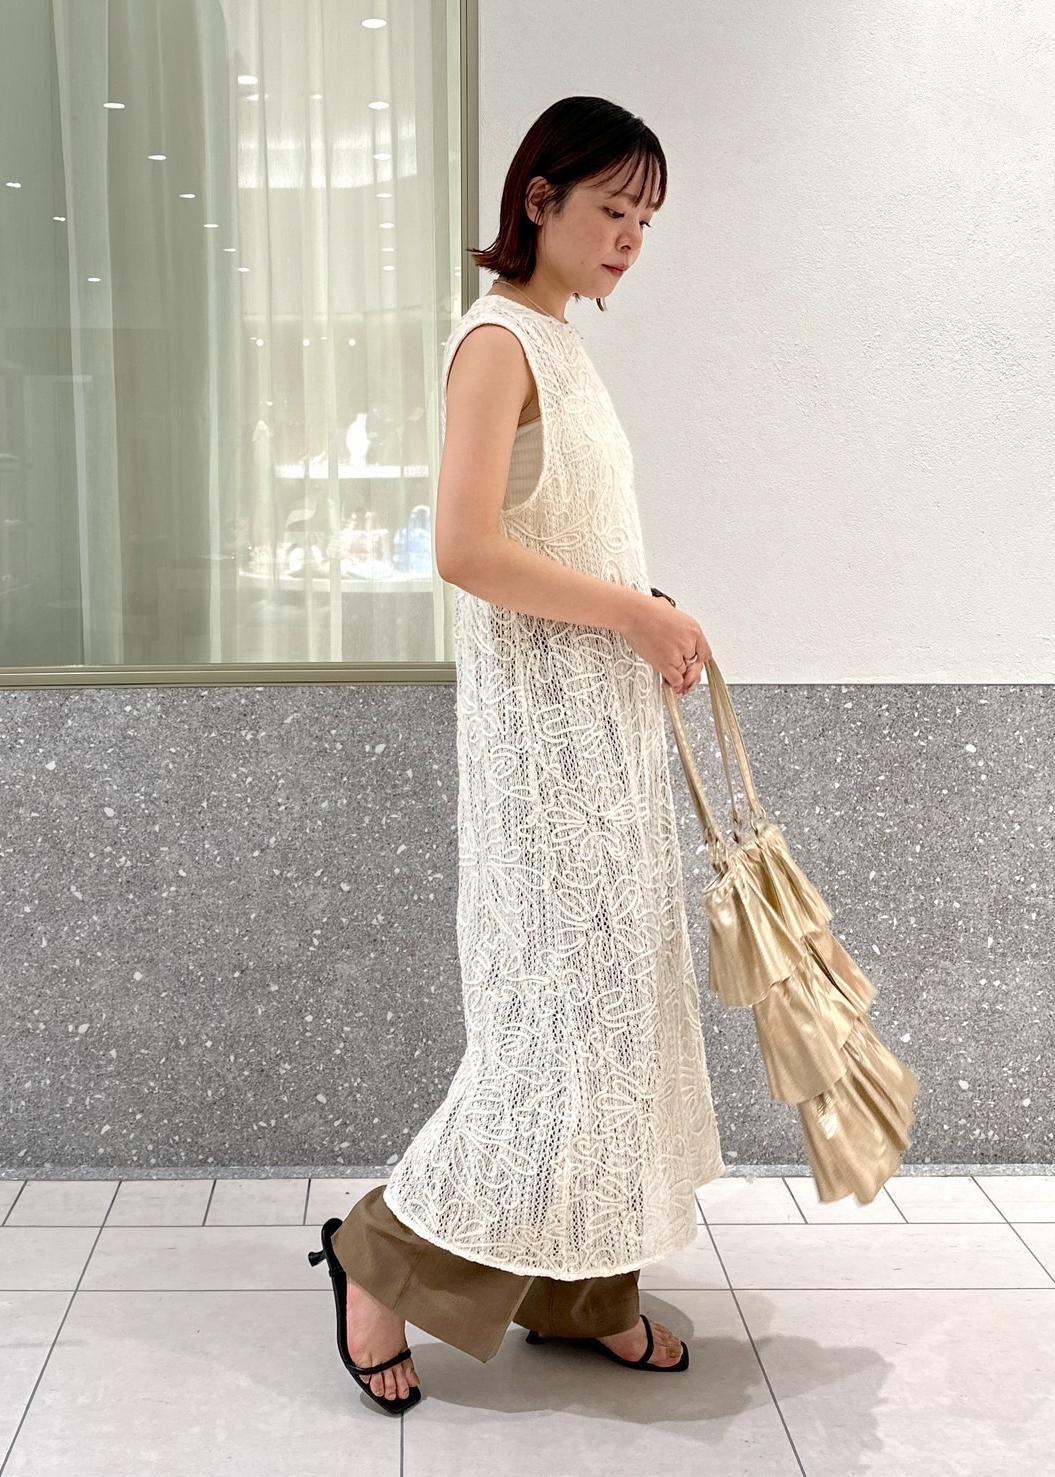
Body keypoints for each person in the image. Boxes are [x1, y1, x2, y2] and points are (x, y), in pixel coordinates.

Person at [309, 95, 725, 1414]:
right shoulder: (497, 342)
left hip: (599, 743)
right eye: (613, 208)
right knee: (549, 1038)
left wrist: (641, 609)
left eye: (647, 218)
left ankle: (582, 1292)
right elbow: (465, 548)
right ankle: (377, 1257)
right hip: (546, 764)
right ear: (538, 199)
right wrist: (635, 615)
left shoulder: (562, 343)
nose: (631, 239)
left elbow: (565, 538)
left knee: (614, 1028)